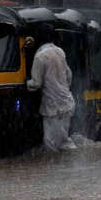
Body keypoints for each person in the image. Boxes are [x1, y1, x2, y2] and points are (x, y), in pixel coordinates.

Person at [27, 24, 77, 152]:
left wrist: (23, 84)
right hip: (67, 102)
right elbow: (69, 75)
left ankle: (66, 167)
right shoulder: (60, 51)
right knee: (64, 140)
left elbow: (36, 83)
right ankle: (75, 164)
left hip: (52, 107)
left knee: (51, 144)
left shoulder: (40, 57)